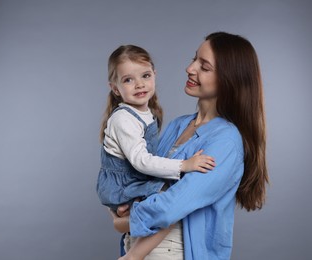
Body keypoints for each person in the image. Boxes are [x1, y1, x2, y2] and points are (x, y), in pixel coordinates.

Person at [111, 32, 269, 260]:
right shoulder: (179, 125)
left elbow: (173, 205)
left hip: (175, 252)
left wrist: (124, 221)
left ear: (229, 79)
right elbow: (147, 181)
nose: (190, 68)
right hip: (138, 244)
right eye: (194, 58)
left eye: (204, 67)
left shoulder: (225, 142)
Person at [96, 45, 216, 260]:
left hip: (131, 182)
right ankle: (132, 257)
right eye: (128, 80)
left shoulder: (146, 113)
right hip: (123, 184)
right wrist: (185, 165)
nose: (139, 84)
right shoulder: (123, 119)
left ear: (154, 75)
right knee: (167, 202)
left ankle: (130, 246)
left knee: (165, 205)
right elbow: (141, 161)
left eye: (145, 75)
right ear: (115, 88)